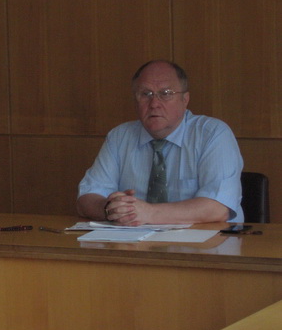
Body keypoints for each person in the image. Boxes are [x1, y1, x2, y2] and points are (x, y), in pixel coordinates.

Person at [77, 60, 243, 225]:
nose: (154, 104)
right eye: (145, 94)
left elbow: (218, 208)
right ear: (135, 99)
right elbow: (86, 198)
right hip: (133, 238)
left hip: (206, 240)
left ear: (185, 99)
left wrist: (148, 213)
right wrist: (110, 209)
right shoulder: (120, 136)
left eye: (166, 93)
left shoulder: (212, 134)